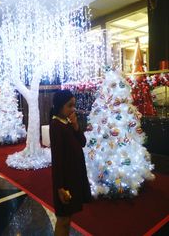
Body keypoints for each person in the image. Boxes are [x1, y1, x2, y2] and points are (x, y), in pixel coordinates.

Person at [50, 90, 91, 236]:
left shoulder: (67, 122)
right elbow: (57, 158)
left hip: (74, 178)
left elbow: (83, 142)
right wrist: (60, 187)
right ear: (60, 106)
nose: (73, 109)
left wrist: (76, 126)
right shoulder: (56, 125)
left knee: (68, 218)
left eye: (74, 105)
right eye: (69, 106)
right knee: (63, 220)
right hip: (65, 181)